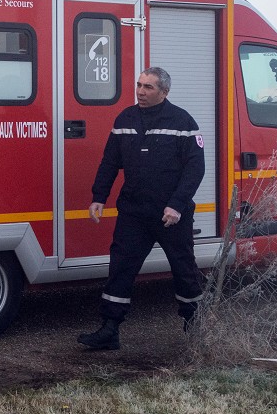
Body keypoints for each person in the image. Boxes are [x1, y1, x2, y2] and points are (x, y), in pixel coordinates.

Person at [79, 66, 205, 351]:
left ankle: (197, 329)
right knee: (120, 268)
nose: (140, 91)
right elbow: (110, 161)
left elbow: (195, 169)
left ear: (164, 92)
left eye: (148, 87)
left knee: (184, 270)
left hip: (170, 215)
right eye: (139, 85)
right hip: (134, 212)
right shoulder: (125, 119)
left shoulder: (182, 121)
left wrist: (176, 205)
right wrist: (99, 196)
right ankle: (109, 330)